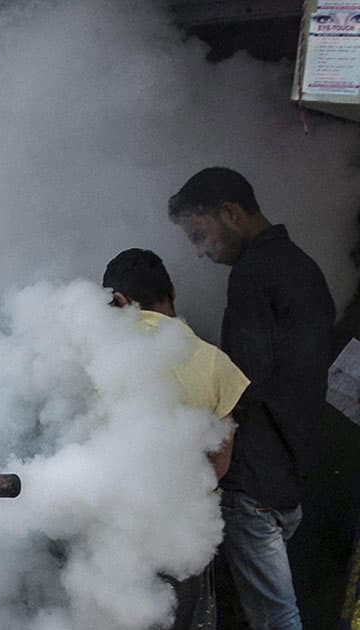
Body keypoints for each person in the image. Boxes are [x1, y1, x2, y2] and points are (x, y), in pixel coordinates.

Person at [168, 167, 335, 630]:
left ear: (230, 213)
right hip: (289, 474)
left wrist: (208, 454)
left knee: (275, 616)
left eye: (200, 235)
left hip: (253, 480)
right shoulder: (304, 268)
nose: (201, 253)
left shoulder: (252, 274)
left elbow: (239, 382)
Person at [103, 248, 250, 630]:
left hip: (112, 530)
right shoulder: (215, 361)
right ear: (171, 292)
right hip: (184, 532)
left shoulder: (97, 355)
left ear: (118, 301)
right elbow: (220, 461)